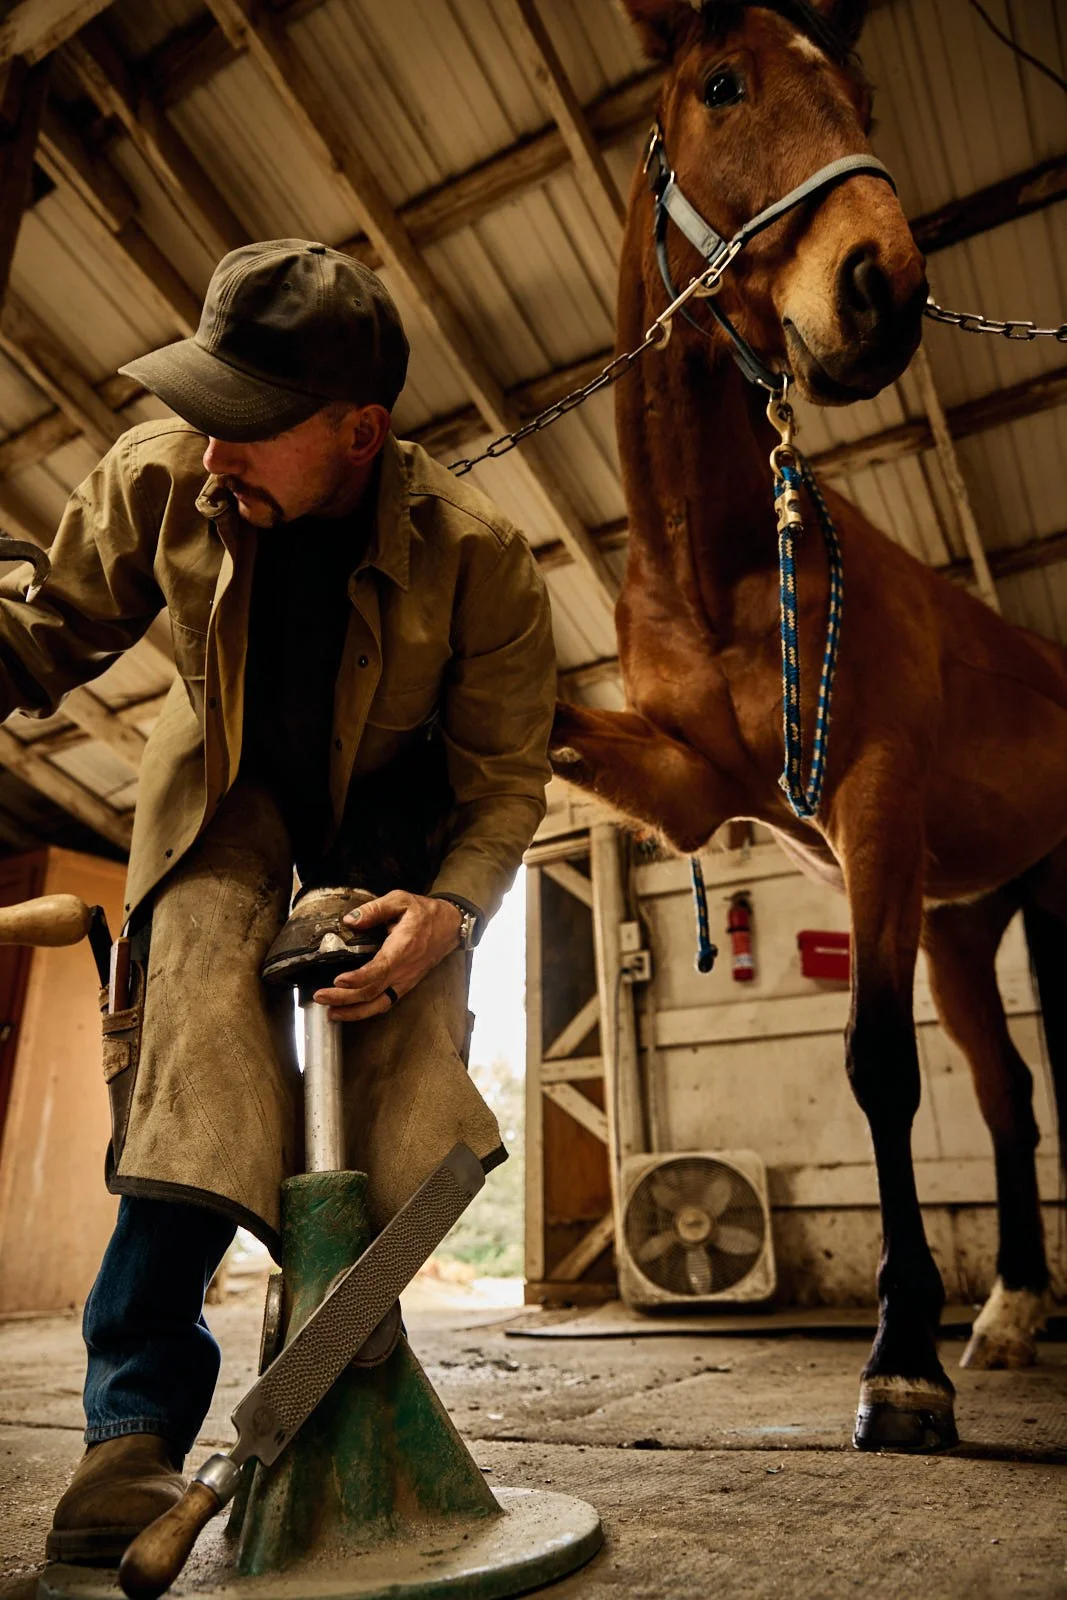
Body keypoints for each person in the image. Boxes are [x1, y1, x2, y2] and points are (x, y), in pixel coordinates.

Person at [0, 239, 556, 1564]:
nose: (209, 457)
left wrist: (450, 912)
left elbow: (501, 790)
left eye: (245, 429)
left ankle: (351, 1361)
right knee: (194, 1002)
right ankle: (130, 1436)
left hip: (395, 818)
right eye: (202, 414)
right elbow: (41, 628)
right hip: (227, 793)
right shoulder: (161, 476)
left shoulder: (482, 563)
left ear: (358, 432)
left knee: (402, 1063)